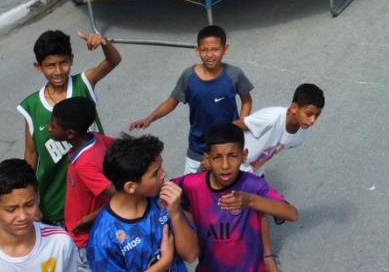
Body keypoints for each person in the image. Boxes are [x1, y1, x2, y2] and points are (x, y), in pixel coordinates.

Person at [18, 29, 120, 228]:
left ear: (72, 59)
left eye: (63, 63)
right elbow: (31, 156)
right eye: (50, 66)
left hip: (97, 194)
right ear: (39, 67)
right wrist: (31, 199)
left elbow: (113, 60)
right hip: (56, 203)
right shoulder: (31, 106)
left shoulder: (83, 84)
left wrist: (104, 43)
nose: (58, 71)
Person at [130, 25, 254, 175]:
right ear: (197, 50)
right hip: (198, 149)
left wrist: (240, 123)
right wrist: (149, 118)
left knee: (231, 187)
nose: (209, 55)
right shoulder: (188, 76)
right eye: (204, 50)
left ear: (225, 49)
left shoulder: (234, 74)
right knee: (192, 189)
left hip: (228, 145)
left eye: (215, 49)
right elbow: (171, 101)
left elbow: (246, 100)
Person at [175, 124, 298, 272]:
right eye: (217, 157)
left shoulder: (254, 185)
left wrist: (251, 201)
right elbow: (160, 193)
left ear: (244, 155)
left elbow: (292, 214)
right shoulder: (191, 184)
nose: (225, 165)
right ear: (207, 159)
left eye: (233, 156)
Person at [87, 135, 198, 271]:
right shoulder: (103, 238)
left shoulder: (163, 200)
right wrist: (164, 262)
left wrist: (175, 213)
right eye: (155, 173)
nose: (164, 174)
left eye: (161, 167)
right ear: (130, 187)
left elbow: (191, 254)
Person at [0, 159, 78, 271]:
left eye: (29, 205)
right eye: (11, 209)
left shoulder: (60, 242)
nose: (23, 217)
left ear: (37, 198)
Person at [47, 96, 114, 261]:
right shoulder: (96, 138)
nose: (49, 129)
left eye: (53, 126)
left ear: (70, 133)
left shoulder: (84, 164)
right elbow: (121, 147)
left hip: (85, 239)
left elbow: (119, 196)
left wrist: (86, 220)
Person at [235, 83, 325, 175]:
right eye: (308, 114)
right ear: (294, 108)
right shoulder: (271, 118)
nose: (313, 120)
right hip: (231, 170)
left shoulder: (300, 136)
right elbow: (231, 127)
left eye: (317, 115)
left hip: (253, 173)